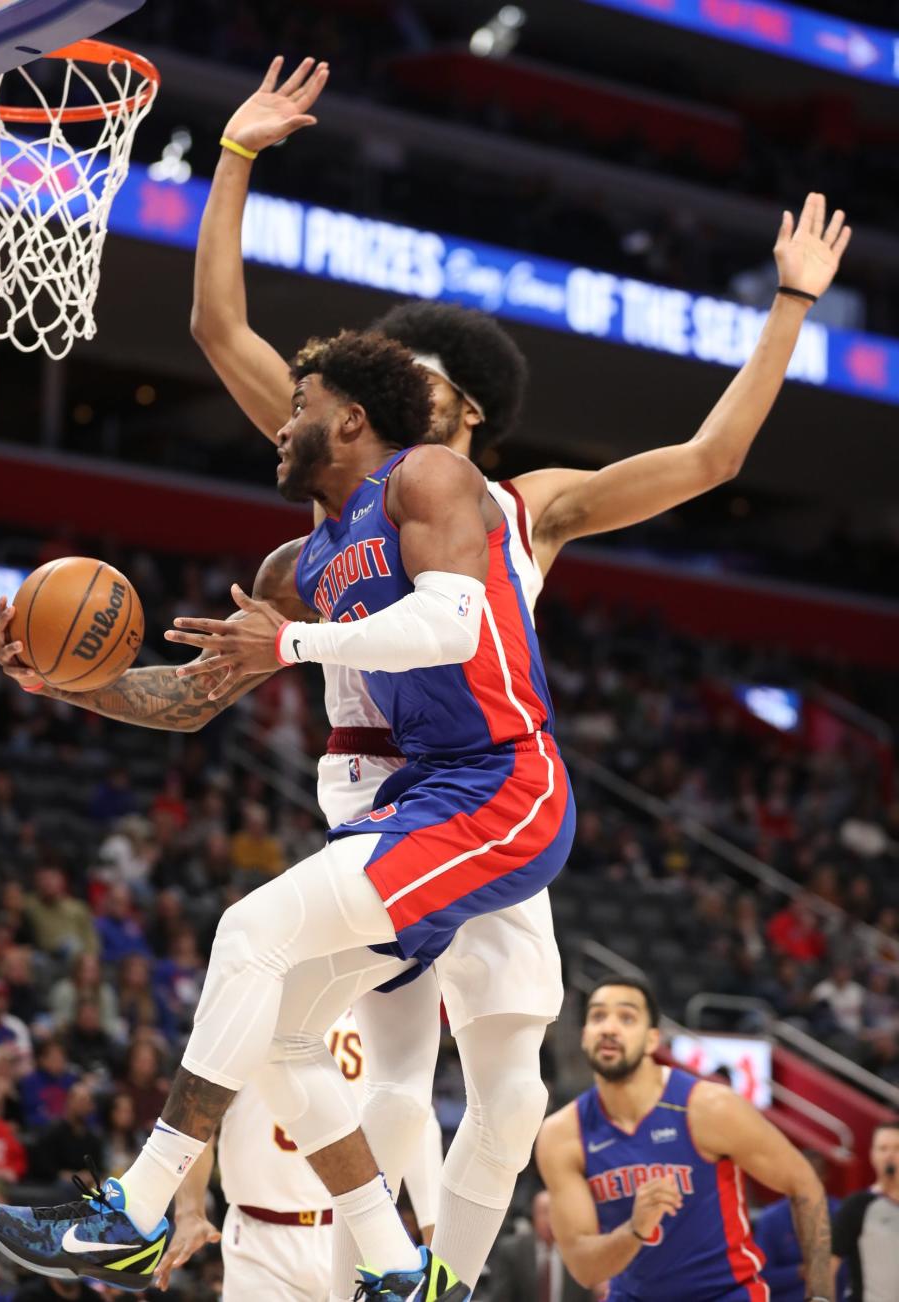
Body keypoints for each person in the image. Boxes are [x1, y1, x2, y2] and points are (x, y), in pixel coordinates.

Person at [184, 61, 851, 1300]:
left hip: (493, 792)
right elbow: (221, 332)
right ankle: (376, 1273)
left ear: (469, 409)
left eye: (420, 378)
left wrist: (794, 306)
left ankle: (441, 1274)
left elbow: (712, 456)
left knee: (509, 1092)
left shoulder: (524, 508)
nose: (391, 389)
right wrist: (234, 158)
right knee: (377, 1066)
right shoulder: (355, 463)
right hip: (388, 792)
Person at [0, 326, 579, 1302]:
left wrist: (295, 643)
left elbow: (453, 623)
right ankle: (396, 1271)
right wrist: (69, 686)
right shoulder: (317, 551)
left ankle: (133, 1214)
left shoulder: (427, 478)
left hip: (502, 783)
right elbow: (192, 697)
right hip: (421, 796)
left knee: (253, 933)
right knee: (291, 1024)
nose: (280, 419)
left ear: (347, 418)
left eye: (300, 404)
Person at [536, 978, 834, 1302]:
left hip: (725, 1294)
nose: (609, 1028)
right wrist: (635, 1229)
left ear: (652, 1040)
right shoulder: (562, 1134)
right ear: (584, 1037)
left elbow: (804, 1183)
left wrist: (820, 1294)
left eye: (626, 1017)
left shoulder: (709, 1107)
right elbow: (585, 1269)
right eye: (597, 1017)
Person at [156, 1008, 443, 1301]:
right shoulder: (252, 1009)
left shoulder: (375, 1013)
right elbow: (202, 1111)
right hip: (262, 1242)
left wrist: (435, 1232)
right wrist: (189, 1211)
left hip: (355, 1230)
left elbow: (415, 1118)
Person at [754, 1151, 845, 1302]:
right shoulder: (771, 1219)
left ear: (824, 1177)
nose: (807, 1185)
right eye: (801, 1178)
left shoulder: (840, 1214)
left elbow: (853, 1270)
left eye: (814, 1177)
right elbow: (760, 1277)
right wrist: (801, 1271)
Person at [831, 1120, 899, 1302]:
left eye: (897, 1148)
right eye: (883, 1149)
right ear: (872, 1155)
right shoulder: (857, 1205)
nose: (890, 1156)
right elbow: (828, 1265)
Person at [488, 1191, 591, 1302]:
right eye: (544, 1212)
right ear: (534, 1215)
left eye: (555, 1212)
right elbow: (501, 1297)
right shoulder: (512, 1250)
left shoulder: (577, 1253)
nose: (549, 1219)